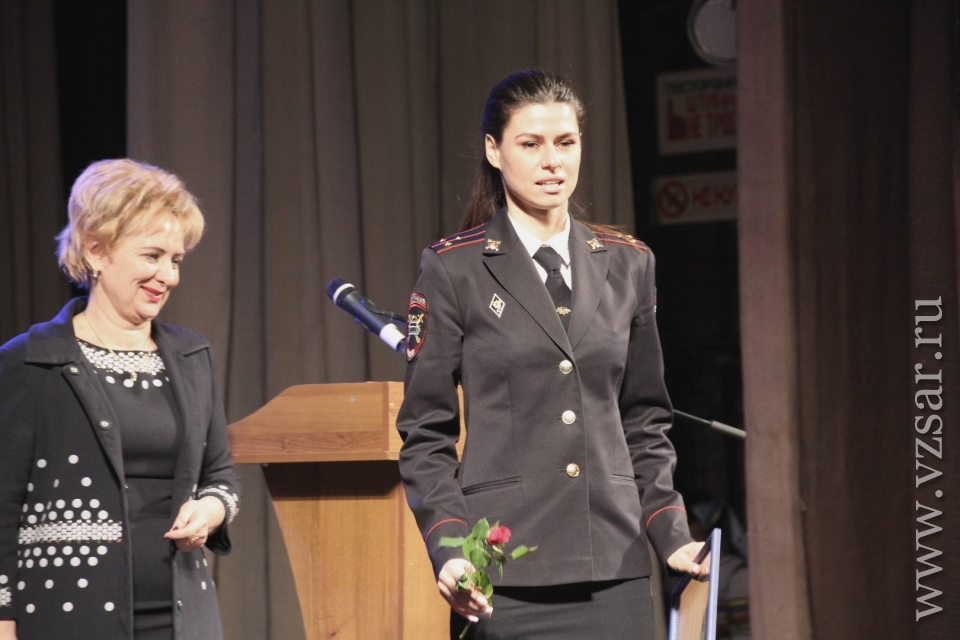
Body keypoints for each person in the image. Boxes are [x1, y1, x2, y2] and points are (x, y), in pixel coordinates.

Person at [396, 69, 705, 639]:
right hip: (503, 572)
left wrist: (671, 532)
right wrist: (450, 549)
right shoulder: (454, 268)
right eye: (531, 144)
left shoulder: (629, 263)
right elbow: (425, 435)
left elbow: (644, 420)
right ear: (494, 151)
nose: (552, 162)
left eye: (565, 143)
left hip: (615, 564)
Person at [0, 159, 242, 640]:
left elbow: (222, 476)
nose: (168, 275)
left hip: (181, 617)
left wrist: (212, 510)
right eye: (152, 256)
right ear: (96, 249)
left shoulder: (192, 356)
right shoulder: (31, 361)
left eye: (176, 260)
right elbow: (2, 506)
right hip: (68, 617)